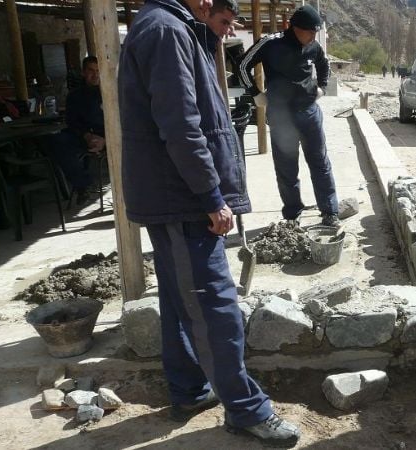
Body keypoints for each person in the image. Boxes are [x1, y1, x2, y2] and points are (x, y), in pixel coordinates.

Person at [118, 0, 300, 446]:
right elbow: (181, 126)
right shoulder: (166, 31)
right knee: (214, 308)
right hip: (183, 200)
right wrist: (211, 197)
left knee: (181, 301)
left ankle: (189, 390)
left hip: (176, 196)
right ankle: (246, 409)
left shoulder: (169, 26)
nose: (227, 25)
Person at [237, 4, 340, 226]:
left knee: (320, 163)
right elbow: (242, 65)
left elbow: (324, 64)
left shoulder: (313, 46)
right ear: (295, 28)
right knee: (286, 169)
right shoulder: (270, 43)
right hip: (281, 117)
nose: (313, 37)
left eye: (315, 32)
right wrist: (255, 94)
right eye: (310, 32)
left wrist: (321, 87)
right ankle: (293, 215)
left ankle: (330, 211)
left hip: (309, 114)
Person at [49, 56, 105, 205]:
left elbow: (120, 121)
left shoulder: (110, 92)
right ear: (83, 72)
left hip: (107, 137)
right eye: (91, 70)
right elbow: (71, 122)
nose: (95, 74)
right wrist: (86, 135)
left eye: (98, 70)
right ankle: (83, 184)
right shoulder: (75, 96)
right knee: (57, 141)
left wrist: (105, 140)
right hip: (84, 136)